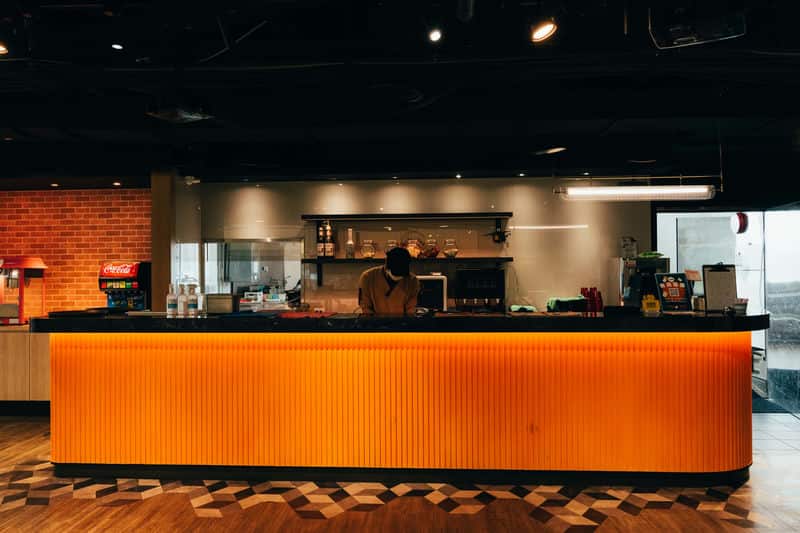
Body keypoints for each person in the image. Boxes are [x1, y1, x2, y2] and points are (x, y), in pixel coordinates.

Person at [358, 246, 420, 316]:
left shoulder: (412, 281)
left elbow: (411, 308)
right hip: (374, 321)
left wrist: (409, 320)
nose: (397, 278)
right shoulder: (368, 277)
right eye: (395, 273)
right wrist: (374, 321)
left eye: (401, 275)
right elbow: (365, 306)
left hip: (402, 321)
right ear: (386, 267)